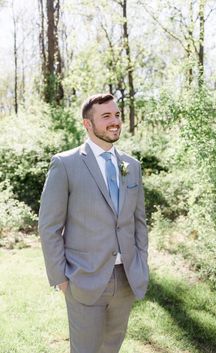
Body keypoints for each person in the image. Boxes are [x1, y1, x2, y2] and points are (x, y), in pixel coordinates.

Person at [38, 93, 149, 353]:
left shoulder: (131, 165)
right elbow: (49, 226)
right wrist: (60, 278)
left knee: (111, 347)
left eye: (117, 115)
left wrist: (140, 264)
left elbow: (139, 221)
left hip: (126, 279)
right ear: (87, 124)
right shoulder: (65, 164)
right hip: (83, 278)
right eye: (106, 116)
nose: (115, 121)